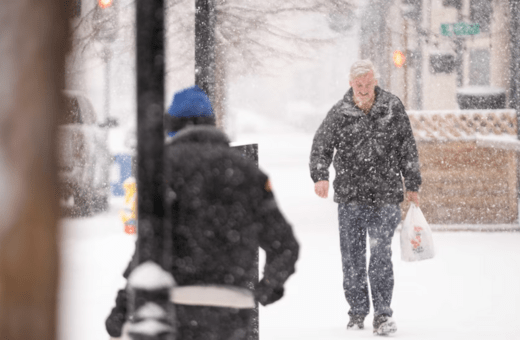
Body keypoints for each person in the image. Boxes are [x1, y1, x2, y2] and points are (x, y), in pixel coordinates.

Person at [106, 85, 299, 340]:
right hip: (235, 311)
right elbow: (284, 244)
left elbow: (149, 245)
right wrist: (268, 288)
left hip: (177, 307)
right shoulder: (248, 171)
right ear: (212, 123)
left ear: (172, 125)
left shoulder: (163, 169)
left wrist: (122, 307)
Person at [309, 60, 421, 335]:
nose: (363, 89)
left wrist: (412, 183)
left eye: (368, 84)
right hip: (350, 198)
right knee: (352, 258)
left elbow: (407, 147)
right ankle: (357, 312)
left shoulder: (392, 108)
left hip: (385, 196)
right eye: (358, 85)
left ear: (375, 82)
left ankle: (382, 314)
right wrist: (320, 175)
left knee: (381, 255)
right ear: (351, 83)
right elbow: (321, 146)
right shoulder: (340, 112)